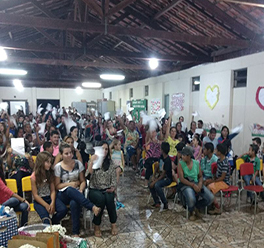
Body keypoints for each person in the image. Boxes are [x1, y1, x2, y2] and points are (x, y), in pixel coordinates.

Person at [54, 143, 100, 236]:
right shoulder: (58, 167)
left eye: (71, 153)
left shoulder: (78, 163)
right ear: (61, 155)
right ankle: (91, 207)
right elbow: (57, 186)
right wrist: (69, 184)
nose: (69, 155)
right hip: (63, 193)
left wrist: (81, 190)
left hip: (77, 192)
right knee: (70, 190)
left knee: (74, 203)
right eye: (66, 153)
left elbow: (83, 181)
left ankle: (75, 233)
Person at [88, 141, 118, 237]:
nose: (104, 151)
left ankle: (113, 224)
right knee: (100, 199)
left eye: (106, 149)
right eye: (102, 149)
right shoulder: (94, 160)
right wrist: (92, 162)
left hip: (107, 189)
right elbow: (88, 175)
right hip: (95, 189)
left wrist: (113, 187)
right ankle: (96, 225)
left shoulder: (110, 163)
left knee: (109, 199)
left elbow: (114, 177)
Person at [177, 146, 214, 220]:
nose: (182, 156)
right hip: (186, 184)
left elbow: (200, 176)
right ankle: (191, 211)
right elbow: (182, 179)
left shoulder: (196, 163)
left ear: (189, 156)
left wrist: (200, 184)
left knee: (210, 198)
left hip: (196, 182)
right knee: (191, 198)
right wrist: (193, 185)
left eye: (184, 155)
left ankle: (196, 207)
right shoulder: (180, 164)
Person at [31, 152, 67, 224]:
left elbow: (53, 190)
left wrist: (52, 203)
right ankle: (49, 225)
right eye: (47, 162)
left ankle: (53, 222)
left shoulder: (50, 173)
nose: (50, 164)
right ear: (41, 162)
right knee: (46, 218)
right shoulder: (34, 176)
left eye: (50, 162)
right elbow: (35, 195)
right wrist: (46, 205)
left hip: (49, 197)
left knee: (63, 210)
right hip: (39, 201)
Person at [0, 157, 30, 226]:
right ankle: (2, 207)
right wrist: (23, 200)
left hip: (9, 204)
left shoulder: (2, 177)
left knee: (25, 206)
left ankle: (23, 227)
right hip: (3, 204)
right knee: (15, 200)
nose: (4, 166)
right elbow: (10, 193)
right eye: (3, 164)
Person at [207, 144, 230, 214]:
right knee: (206, 184)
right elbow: (217, 174)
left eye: (216, 150)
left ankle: (217, 207)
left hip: (224, 182)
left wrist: (213, 181)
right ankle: (211, 204)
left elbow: (222, 177)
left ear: (220, 152)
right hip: (219, 181)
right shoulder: (219, 161)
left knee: (209, 187)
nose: (215, 151)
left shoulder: (225, 163)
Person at [149, 142, 172, 210]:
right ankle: (157, 202)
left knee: (157, 185)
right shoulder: (161, 157)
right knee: (150, 183)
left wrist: (155, 181)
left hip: (167, 178)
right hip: (160, 176)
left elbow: (163, 174)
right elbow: (157, 166)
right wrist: (153, 176)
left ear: (162, 150)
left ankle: (165, 202)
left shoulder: (168, 161)